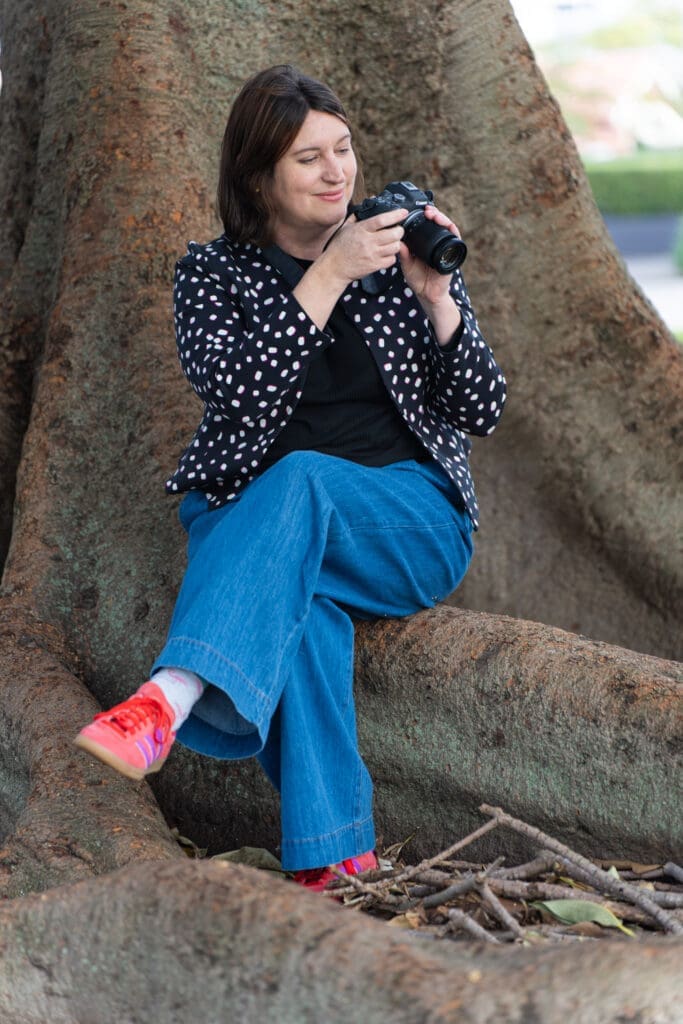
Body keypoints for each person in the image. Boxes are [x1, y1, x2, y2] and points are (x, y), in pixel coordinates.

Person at [75, 65, 506, 892]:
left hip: (406, 519)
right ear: (258, 176)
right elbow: (238, 397)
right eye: (309, 158)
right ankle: (335, 859)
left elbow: (480, 409)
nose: (337, 171)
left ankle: (167, 697)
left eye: (343, 149)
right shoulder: (212, 276)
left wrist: (439, 296)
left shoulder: (395, 251)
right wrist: (328, 274)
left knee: (306, 475)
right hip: (254, 520)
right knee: (301, 618)